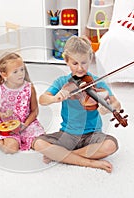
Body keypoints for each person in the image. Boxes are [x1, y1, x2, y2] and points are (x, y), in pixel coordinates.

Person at [32, 36, 121, 173]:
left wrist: (109, 108)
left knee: (110, 145)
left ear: (90, 59)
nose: (80, 68)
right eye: (75, 63)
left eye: (84, 63)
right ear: (67, 61)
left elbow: (115, 102)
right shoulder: (62, 82)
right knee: (38, 143)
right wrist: (55, 98)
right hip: (68, 135)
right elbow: (42, 99)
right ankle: (89, 162)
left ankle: (62, 156)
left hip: (92, 135)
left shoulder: (98, 83)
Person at [0, 52, 45, 154]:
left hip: (27, 123)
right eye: (15, 72)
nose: (20, 74)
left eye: (22, 69)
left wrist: (25, 125)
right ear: (4, 74)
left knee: (42, 144)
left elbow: (34, 111)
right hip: (7, 126)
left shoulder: (29, 88)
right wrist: (2, 114)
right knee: (11, 149)